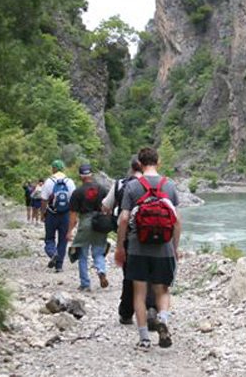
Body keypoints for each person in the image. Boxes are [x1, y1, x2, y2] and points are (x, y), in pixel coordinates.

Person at [115, 147, 182, 350]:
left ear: (140, 163)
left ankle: (144, 339)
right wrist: (174, 248)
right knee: (162, 290)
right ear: (158, 162)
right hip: (163, 249)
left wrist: (120, 247)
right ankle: (162, 319)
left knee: (139, 294)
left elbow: (124, 219)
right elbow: (177, 221)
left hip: (137, 248)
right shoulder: (169, 185)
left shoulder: (133, 187)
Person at [102, 156, 156, 325]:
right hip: (152, 234)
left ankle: (126, 313)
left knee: (130, 274)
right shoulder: (156, 184)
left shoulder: (120, 184)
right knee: (150, 273)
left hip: (128, 235)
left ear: (132, 168)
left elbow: (106, 206)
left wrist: (119, 245)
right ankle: (151, 307)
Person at [66, 164, 110, 291]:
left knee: (82, 255)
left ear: (81, 176)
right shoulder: (102, 189)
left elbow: (73, 215)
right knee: (98, 253)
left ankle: (85, 284)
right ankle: (101, 271)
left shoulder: (77, 192)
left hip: (85, 222)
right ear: (91, 174)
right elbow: (108, 207)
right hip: (99, 222)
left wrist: (69, 231)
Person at [39, 160, 75, 273]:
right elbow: (73, 201)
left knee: (49, 238)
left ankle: (52, 253)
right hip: (65, 215)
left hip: (51, 214)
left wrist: (43, 213)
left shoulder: (49, 181)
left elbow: (44, 199)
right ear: (63, 169)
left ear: (53, 169)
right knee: (63, 240)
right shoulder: (70, 182)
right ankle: (59, 266)